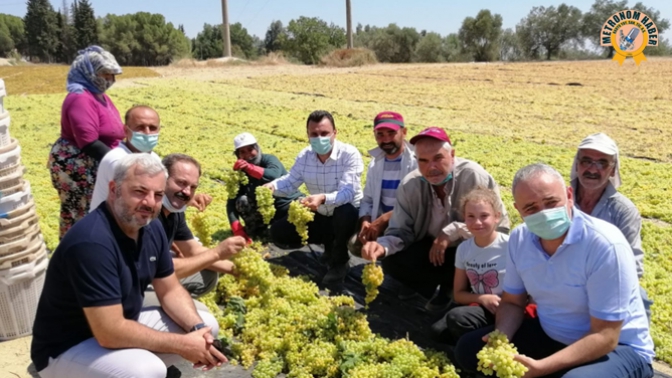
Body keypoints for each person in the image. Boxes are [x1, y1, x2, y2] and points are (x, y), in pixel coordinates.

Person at [31, 153, 231, 378]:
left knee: (207, 327)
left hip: (119, 324)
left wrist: (195, 330)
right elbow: (109, 332)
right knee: (146, 371)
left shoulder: (150, 228)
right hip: (67, 346)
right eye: (139, 192)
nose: (149, 203)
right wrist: (182, 345)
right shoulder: (92, 242)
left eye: (157, 194)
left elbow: (171, 289)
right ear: (114, 189)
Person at [454, 163, 654, 378]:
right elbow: (513, 302)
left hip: (617, 348)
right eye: (531, 208)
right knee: (469, 350)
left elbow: (606, 334)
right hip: (553, 334)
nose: (544, 214)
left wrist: (543, 367)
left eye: (551, 202)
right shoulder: (520, 240)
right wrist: (501, 337)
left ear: (569, 195)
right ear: (519, 210)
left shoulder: (604, 244)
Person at [360, 127, 509, 312]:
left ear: (452, 155)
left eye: (438, 158)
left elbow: (499, 229)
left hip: (470, 249)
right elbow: (400, 231)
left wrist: (451, 232)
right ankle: (434, 289)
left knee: (470, 258)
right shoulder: (410, 184)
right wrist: (381, 246)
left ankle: (456, 290)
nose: (431, 167)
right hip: (431, 249)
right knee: (393, 260)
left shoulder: (473, 176)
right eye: (423, 161)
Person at [264, 110, 363, 287]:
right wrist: (272, 187)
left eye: (324, 133)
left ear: (335, 133)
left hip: (349, 217)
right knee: (280, 232)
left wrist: (323, 198)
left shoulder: (349, 154)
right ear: (308, 135)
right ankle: (329, 245)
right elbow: (290, 181)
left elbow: (348, 192)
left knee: (344, 211)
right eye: (314, 134)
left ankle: (340, 261)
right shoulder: (305, 156)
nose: (319, 138)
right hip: (322, 213)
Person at [570, 132, 652, 321]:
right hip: (564, 278)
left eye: (602, 163)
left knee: (640, 299)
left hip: (607, 284)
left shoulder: (623, 211)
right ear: (577, 164)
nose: (593, 169)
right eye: (587, 161)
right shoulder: (560, 201)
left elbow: (633, 265)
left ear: (613, 170)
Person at [48, 45, 124, 240]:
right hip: (79, 166)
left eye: (112, 75)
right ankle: (77, 257)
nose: (110, 80)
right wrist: (124, 164)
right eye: (105, 74)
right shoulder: (80, 97)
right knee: (83, 215)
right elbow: (89, 142)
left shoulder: (100, 97)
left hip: (98, 162)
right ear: (88, 72)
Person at [158, 153, 246, 298]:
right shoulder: (148, 215)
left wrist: (239, 270)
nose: (187, 192)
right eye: (181, 183)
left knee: (207, 273)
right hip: (131, 283)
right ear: (162, 179)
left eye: (193, 187)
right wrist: (217, 252)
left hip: (154, 270)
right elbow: (160, 269)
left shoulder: (175, 212)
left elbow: (193, 250)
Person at [430, 187, 508, 345]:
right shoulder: (464, 249)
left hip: (507, 308)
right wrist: (483, 298)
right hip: (481, 307)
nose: (477, 222)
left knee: (457, 319)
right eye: (471, 216)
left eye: (484, 216)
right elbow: (459, 294)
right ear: (464, 218)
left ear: (497, 217)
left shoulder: (509, 245)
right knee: (437, 331)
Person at [347, 111, 417, 257]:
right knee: (356, 245)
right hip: (383, 223)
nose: (386, 140)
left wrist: (384, 219)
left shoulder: (417, 162)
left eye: (391, 133)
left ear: (404, 132)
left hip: (409, 225)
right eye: (380, 134)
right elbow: (368, 199)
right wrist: (366, 221)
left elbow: (416, 205)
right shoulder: (376, 163)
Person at [228, 132, 302, 241]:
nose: (248, 154)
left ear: (257, 149)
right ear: (238, 155)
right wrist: (237, 229)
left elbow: (273, 175)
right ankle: (258, 230)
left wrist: (250, 168)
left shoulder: (269, 159)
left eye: (250, 149)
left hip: (288, 206)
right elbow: (231, 203)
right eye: (242, 152)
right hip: (266, 214)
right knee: (241, 200)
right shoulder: (240, 174)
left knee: (296, 229)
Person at [89, 105, 162, 211]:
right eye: (140, 127)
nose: (147, 133)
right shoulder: (118, 161)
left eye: (152, 128)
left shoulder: (155, 158)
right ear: (126, 130)